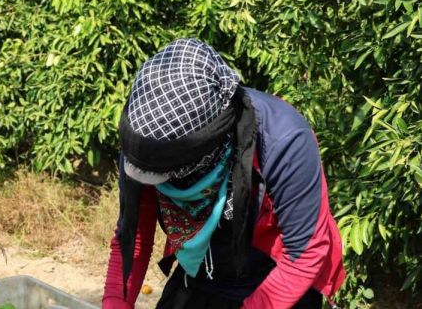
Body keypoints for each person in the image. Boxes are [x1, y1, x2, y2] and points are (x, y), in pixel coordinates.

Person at [102, 39, 345, 309]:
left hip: (278, 283)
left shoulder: (284, 140)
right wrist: (116, 303)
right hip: (202, 273)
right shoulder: (145, 144)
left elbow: (305, 253)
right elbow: (133, 236)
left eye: (163, 174)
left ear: (204, 148)